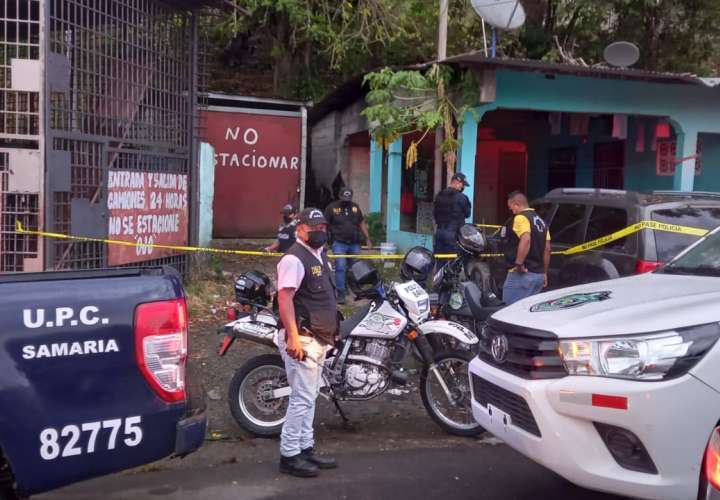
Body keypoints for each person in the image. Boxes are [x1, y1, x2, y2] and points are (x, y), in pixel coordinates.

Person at [276, 207, 338, 478]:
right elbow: (285, 298)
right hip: (301, 337)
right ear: (299, 228)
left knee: (310, 395)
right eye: (314, 227)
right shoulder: (293, 258)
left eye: (323, 226)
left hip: (319, 336)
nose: (320, 231)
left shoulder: (320, 254)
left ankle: (305, 448)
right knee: (301, 397)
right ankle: (289, 455)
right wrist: (292, 336)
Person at [501, 191, 552, 305]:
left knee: (508, 314)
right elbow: (547, 249)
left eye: (511, 207)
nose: (512, 211)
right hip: (538, 276)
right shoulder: (542, 222)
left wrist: (519, 264)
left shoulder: (521, 218)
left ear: (516, 204)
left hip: (522, 275)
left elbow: (526, 239)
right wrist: (544, 272)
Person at [324, 187, 372, 304]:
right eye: (344, 198)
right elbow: (325, 224)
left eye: (348, 198)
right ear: (340, 196)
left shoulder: (355, 207)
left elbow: (361, 222)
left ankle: (356, 290)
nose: (346, 200)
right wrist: (324, 241)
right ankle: (341, 293)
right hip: (339, 243)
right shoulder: (332, 208)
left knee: (356, 267)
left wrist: (368, 238)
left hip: (354, 243)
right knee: (340, 267)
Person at [432, 172, 471, 254]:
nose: (463, 187)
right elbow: (468, 214)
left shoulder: (439, 195)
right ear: (457, 182)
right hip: (453, 235)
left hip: (439, 232)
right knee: (453, 262)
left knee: (440, 261)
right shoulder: (462, 198)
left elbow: (435, 214)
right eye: (462, 184)